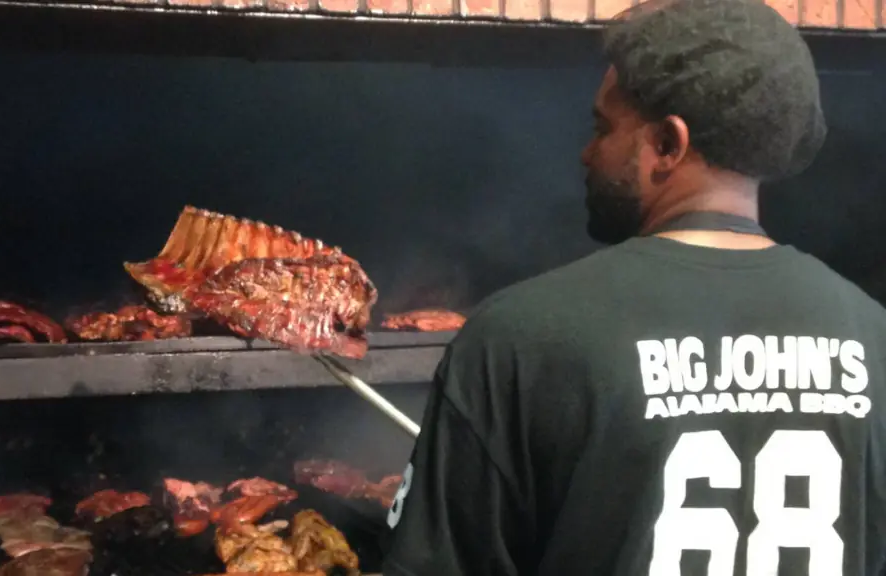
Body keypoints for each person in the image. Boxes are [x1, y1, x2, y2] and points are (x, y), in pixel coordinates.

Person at [380, 0, 886, 574]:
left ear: (668, 145)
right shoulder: (874, 334)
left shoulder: (519, 339)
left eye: (603, 127)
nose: (587, 152)